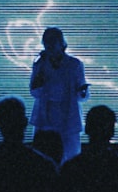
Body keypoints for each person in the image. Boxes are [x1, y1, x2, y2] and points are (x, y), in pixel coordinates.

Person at [29, 27, 89, 162]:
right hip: (46, 115)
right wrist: (39, 80)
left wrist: (82, 91)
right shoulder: (39, 64)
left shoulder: (74, 64)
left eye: (52, 41)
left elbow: (81, 95)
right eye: (46, 42)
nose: (49, 45)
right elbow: (34, 92)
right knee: (43, 156)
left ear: (61, 43)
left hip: (67, 115)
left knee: (71, 156)